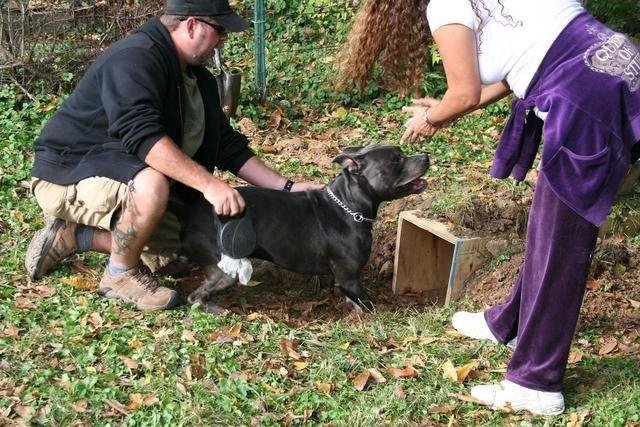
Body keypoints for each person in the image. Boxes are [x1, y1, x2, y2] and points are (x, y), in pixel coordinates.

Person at [338, 0, 640, 416]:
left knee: (562, 241)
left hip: (587, 99)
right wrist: (444, 108)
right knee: (548, 225)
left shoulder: (445, 6)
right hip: (616, 64)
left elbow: (463, 94)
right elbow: (514, 68)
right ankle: (510, 323)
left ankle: (536, 384)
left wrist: (431, 119)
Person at [25, 0, 322, 311]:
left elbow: (227, 146)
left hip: (123, 174)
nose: (223, 40)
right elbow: (144, 138)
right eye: (219, 30)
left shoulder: (199, 80)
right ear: (191, 25)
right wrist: (210, 185)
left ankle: (77, 236)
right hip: (68, 173)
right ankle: (119, 274)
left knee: (188, 245)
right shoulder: (135, 58)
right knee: (152, 185)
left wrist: (286, 187)